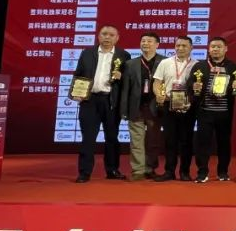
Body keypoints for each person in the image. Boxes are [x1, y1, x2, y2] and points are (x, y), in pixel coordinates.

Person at [71, 24, 131, 183]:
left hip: (111, 102)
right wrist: (76, 92)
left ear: (117, 38)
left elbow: (128, 81)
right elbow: (78, 74)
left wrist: (122, 76)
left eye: (111, 35)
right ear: (98, 36)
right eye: (104, 34)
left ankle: (112, 170)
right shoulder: (87, 53)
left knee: (112, 137)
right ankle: (84, 172)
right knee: (88, 138)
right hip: (89, 101)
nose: (107, 37)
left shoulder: (124, 55)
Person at [189, 36, 236, 183]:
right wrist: (194, 86)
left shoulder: (233, 67)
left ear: (225, 49)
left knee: (224, 143)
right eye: (213, 47)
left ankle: (223, 172)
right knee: (203, 143)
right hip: (204, 111)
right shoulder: (200, 66)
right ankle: (202, 172)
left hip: (224, 112)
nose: (215, 49)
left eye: (219, 47)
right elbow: (190, 84)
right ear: (209, 49)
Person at [119, 31, 165, 181]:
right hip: (136, 107)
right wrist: (124, 109)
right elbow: (125, 89)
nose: (146, 44)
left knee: (153, 141)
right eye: (143, 41)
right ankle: (138, 170)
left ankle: (150, 168)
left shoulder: (165, 62)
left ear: (157, 45)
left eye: (149, 41)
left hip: (155, 108)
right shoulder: (130, 64)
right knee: (136, 141)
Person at [152, 35, 196, 182]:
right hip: (168, 104)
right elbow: (157, 83)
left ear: (191, 48)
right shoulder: (165, 63)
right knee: (170, 140)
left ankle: (184, 172)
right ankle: (169, 171)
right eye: (178, 45)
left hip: (187, 106)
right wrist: (159, 94)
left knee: (186, 140)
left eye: (184, 46)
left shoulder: (196, 65)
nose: (180, 48)